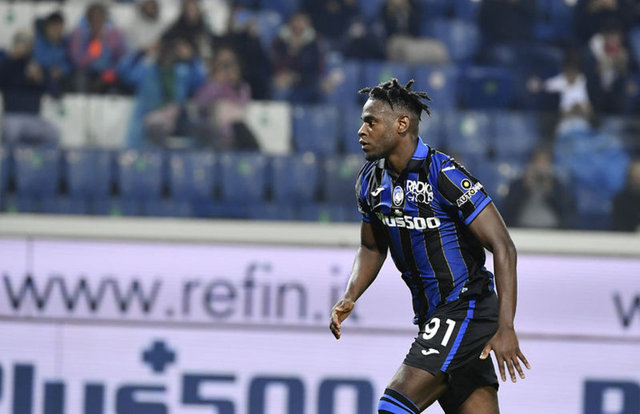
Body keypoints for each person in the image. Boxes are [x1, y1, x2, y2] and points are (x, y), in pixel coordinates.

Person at [330, 79, 530, 413]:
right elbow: (372, 248)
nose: (361, 131)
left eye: (371, 122)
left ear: (402, 124)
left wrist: (506, 325)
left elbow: (503, 246)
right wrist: (351, 295)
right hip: (433, 317)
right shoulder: (369, 180)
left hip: (466, 308)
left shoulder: (444, 174)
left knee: (393, 407)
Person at [0, 31, 60, 146]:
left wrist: (42, 80)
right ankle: (8, 158)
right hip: (13, 116)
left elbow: (56, 94)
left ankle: (41, 158)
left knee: (54, 133)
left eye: (26, 43)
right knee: (11, 132)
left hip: (34, 118)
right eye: (20, 42)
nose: (22, 46)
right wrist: (11, 60)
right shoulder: (6, 63)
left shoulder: (37, 66)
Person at [502, 150, 575, 229]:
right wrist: (525, 189)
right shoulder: (518, 184)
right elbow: (509, 211)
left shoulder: (558, 185)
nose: (540, 167)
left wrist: (550, 192)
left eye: (544, 163)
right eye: (537, 162)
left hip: (552, 228)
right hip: (523, 227)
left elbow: (565, 211)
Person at [611, 159, 640, 231]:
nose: (637, 181)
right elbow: (619, 226)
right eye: (635, 177)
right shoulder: (620, 200)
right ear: (629, 177)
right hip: (626, 235)